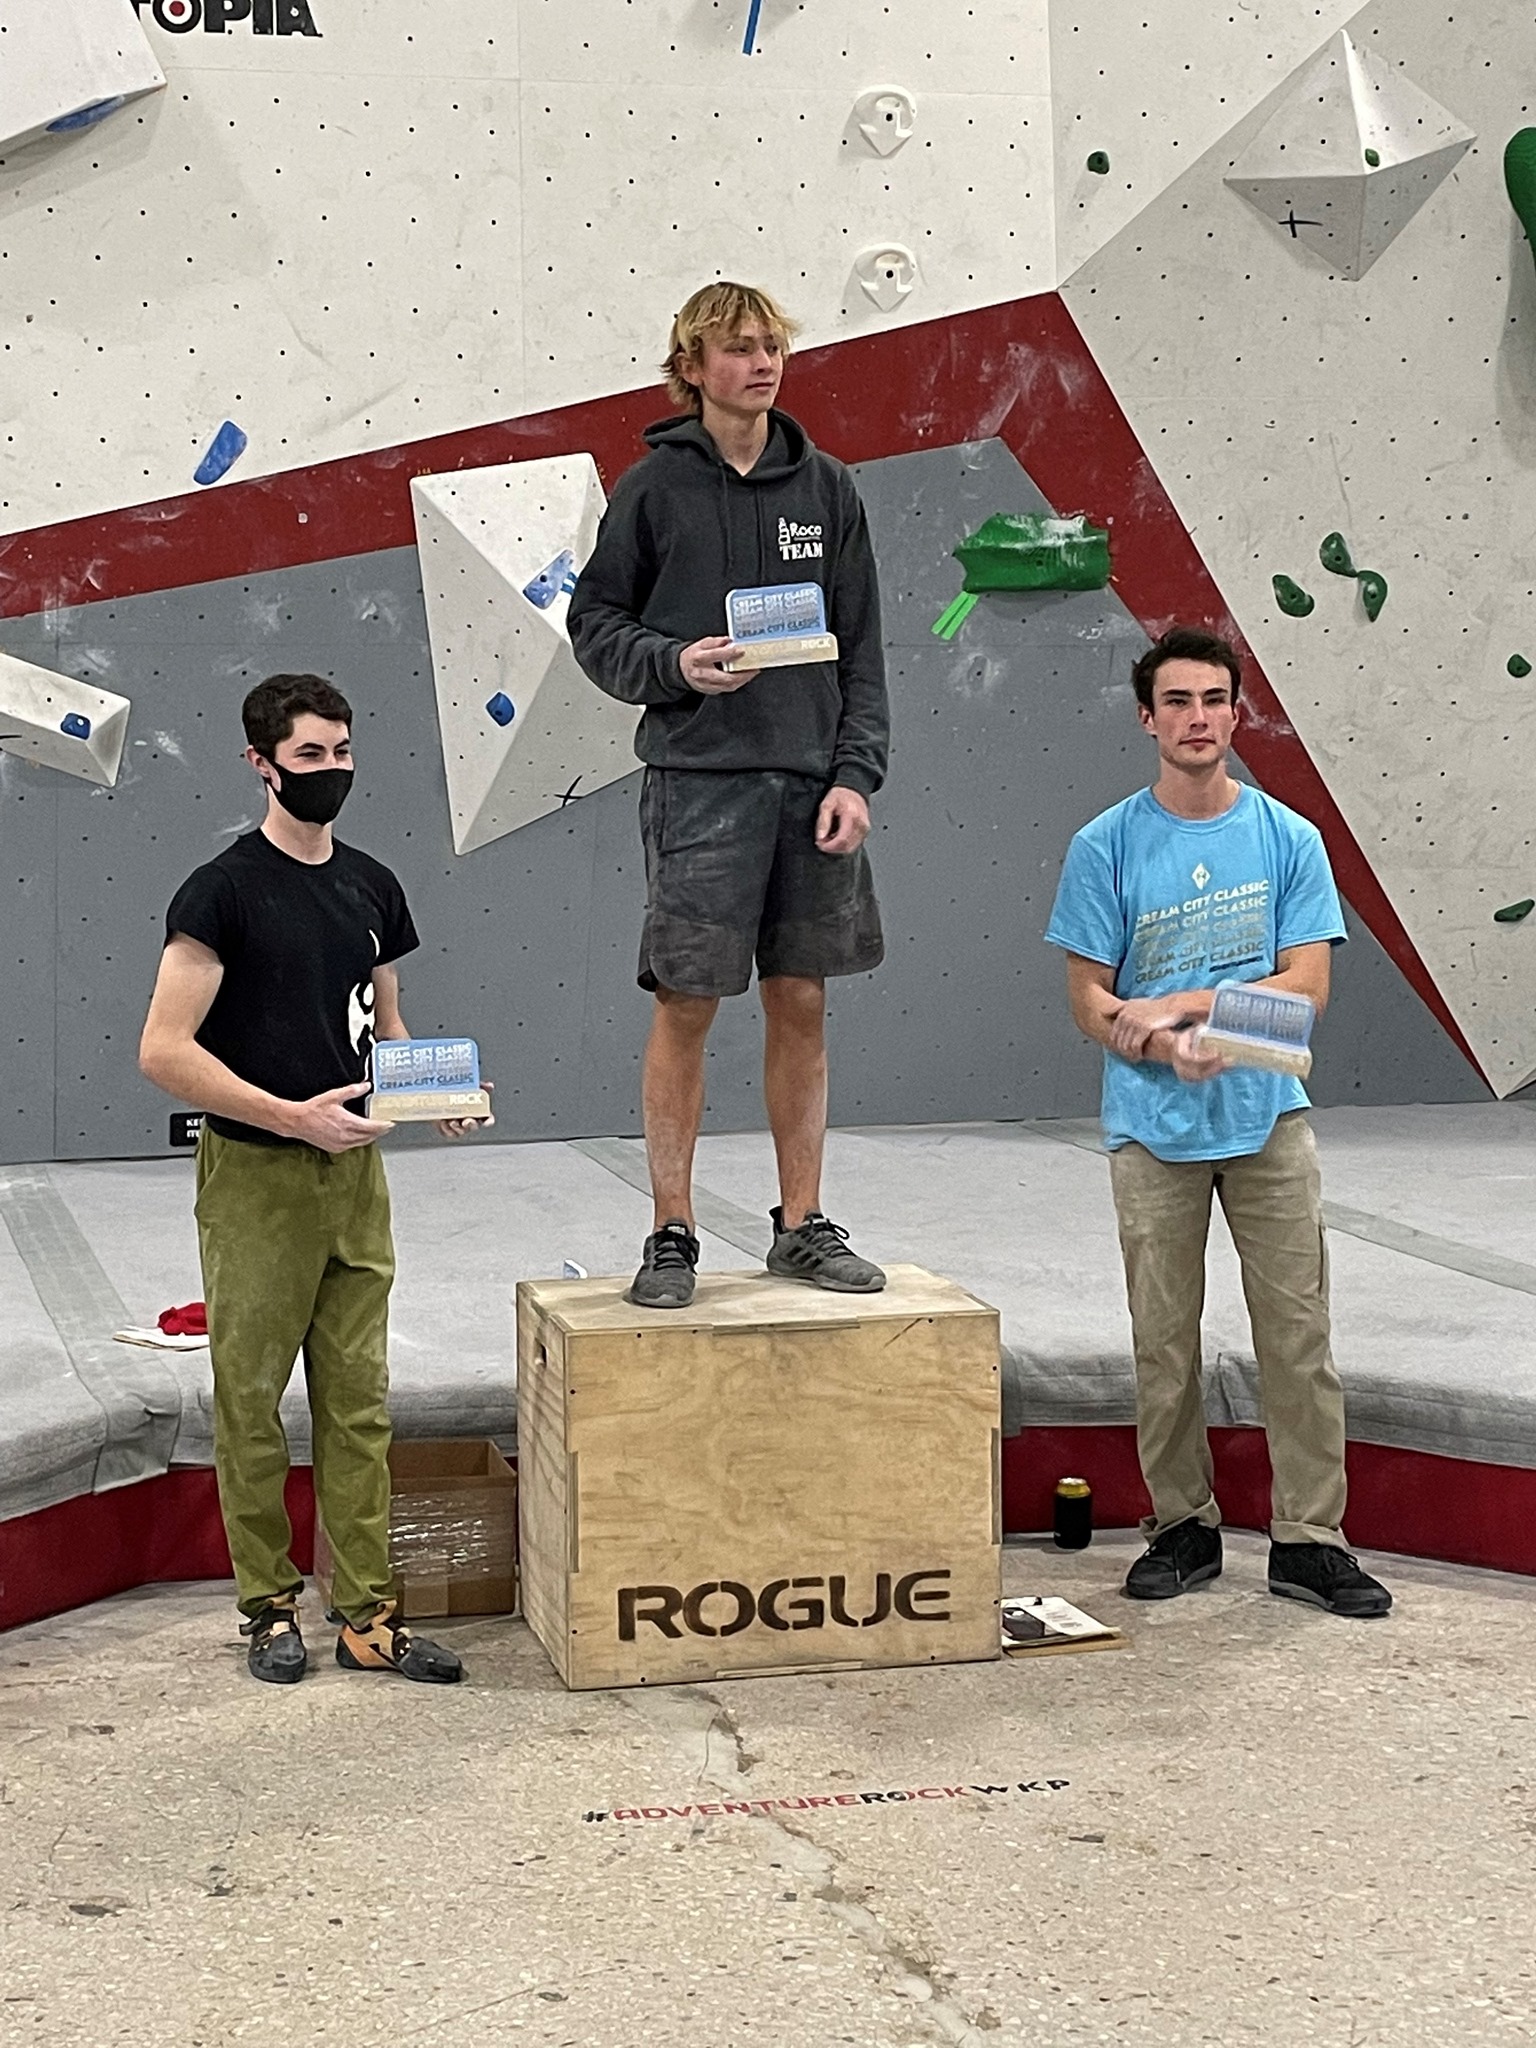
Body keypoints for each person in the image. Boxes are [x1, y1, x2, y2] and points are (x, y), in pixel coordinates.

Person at [139, 673, 487, 1684]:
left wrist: (436, 1093)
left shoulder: (373, 885)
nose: (331, 770)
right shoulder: (221, 892)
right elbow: (163, 1049)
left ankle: (368, 1614)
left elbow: (386, 1024)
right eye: (308, 756)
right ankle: (268, 1608)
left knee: (358, 1404)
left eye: (341, 752)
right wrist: (290, 1116)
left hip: (356, 1178)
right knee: (251, 1402)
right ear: (261, 764)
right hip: (258, 1177)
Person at [1044, 626, 1391, 1619]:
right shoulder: (1105, 845)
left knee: (1299, 1337)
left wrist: (1191, 1007)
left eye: (1214, 700)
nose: (1198, 718)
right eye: (1178, 701)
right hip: (1151, 1127)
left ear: (1237, 715)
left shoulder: (1289, 838)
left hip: (1268, 1116)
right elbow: (1091, 999)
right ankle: (1182, 1525)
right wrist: (1161, 1046)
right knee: (1164, 1342)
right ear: (1146, 717)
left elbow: (1307, 991)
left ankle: (1310, 1539)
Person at [568, 280, 889, 1309]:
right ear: (693, 368)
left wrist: (855, 776)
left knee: (802, 999)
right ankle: (672, 1229)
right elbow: (595, 624)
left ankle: (802, 1224)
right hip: (699, 787)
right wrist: (674, 665)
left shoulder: (829, 487)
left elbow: (864, 648)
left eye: (772, 347)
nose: (762, 363)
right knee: (688, 1002)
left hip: (811, 785)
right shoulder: (651, 489)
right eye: (740, 348)